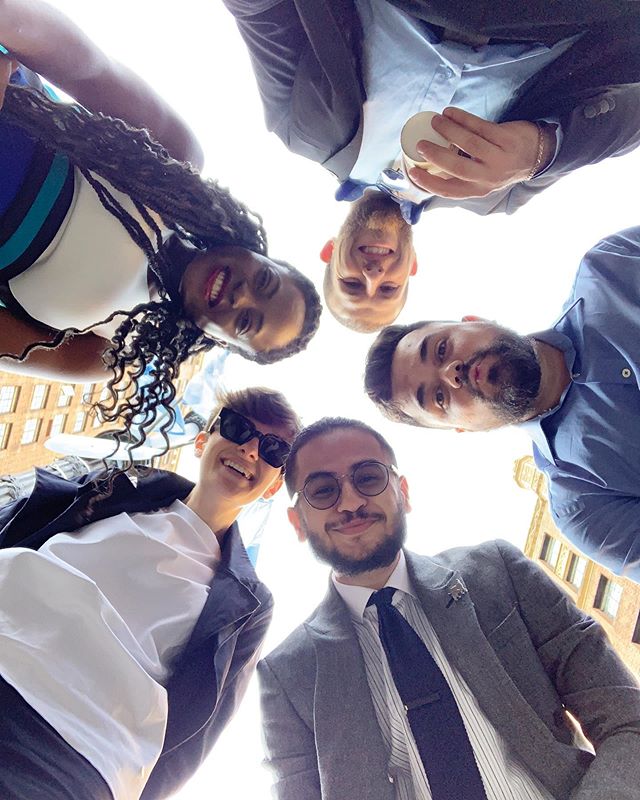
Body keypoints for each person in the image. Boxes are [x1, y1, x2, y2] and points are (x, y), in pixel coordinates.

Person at [259, 416, 640, 799]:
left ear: (403, 493)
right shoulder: (287, 675)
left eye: (369, 478)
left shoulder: (499, 572)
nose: (352, 502)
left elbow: (628, 719)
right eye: (323, 490)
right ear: (298, 523)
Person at [0, 0, 321, 447]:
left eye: (247, 322)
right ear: (258, 252)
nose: (240, 295)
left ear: (223, 343)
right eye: (264, 280)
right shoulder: (178, 157)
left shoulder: (103, 354)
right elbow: (84, 67)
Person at [224, 0, 640, 330]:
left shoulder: (302, 131)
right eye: (388, 288)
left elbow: (263, 14)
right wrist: (539, 152)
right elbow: (629, 120)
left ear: (329, 251)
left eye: (352, 283)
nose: (373, 273)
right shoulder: (497, 197)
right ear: (413, 267)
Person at [0, 386, 300, 800]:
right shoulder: (111, 488)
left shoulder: (248, 605)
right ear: (203, 440)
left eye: (273, 450)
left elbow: (199, 730)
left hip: (72, 747)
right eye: (237, 427)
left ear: (272, 486)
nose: (250, 449)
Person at [364, 225, 640, 580]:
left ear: (474, 321)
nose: (452, 373)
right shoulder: (584, 505)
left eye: (442, 348)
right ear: (464, 428)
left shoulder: (610, 266)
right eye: (438, 397)